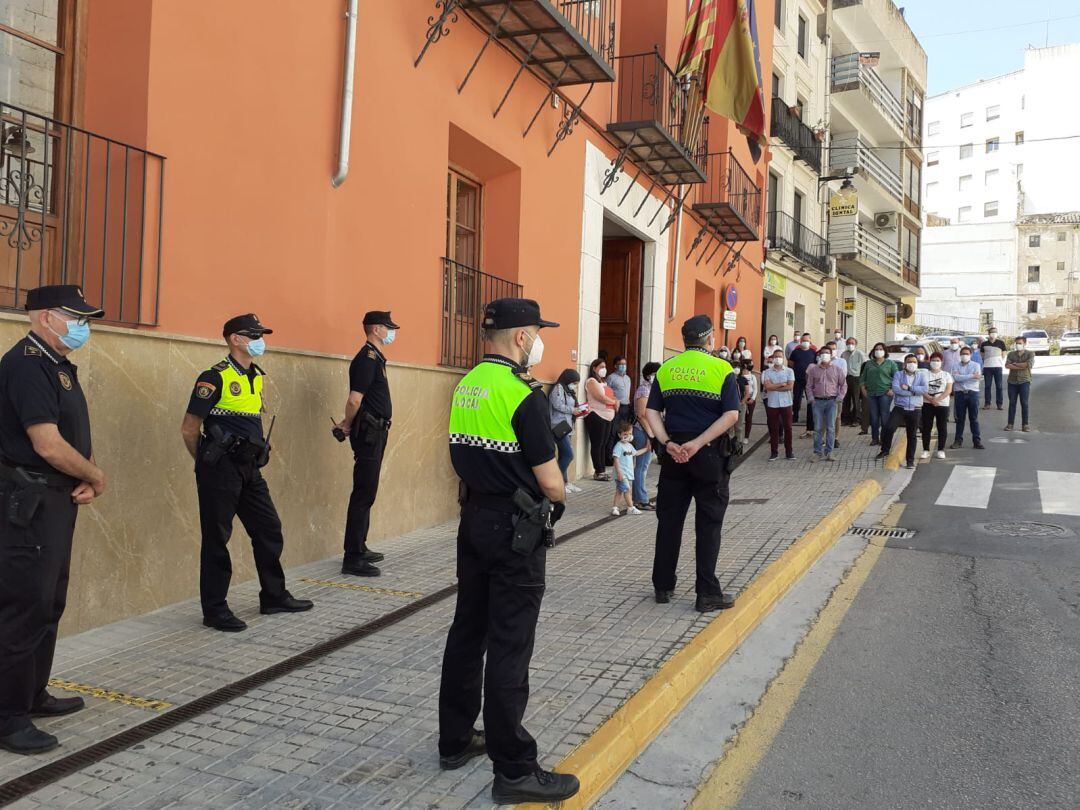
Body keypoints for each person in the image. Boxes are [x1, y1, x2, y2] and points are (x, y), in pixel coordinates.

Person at [438, 298, 579, 804]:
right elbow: (553, 483)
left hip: (473, 520)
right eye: (538, 332)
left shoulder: (468, 384)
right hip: (515, 529)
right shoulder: (524, 396)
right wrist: (557, 491)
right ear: (522, 338)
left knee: (467, 631)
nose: (541, 341)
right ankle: (514, 768)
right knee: (509, 644)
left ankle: (454, 739)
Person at [0, 285, 106, 755]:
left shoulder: (54, 362)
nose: (83, 325)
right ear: (45, 317)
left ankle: (31, 694)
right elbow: (45, 442)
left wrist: (80, 473)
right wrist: (95, 475)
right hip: (31, 503)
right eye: (75, 316)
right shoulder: (26, 363)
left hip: (55, 498)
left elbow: (68, 434)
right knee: (25, 605)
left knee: (49, 602)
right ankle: (8, 717)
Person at [181, 314, 314, 633]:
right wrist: (205, 462)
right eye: (253, 335)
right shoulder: (213, 377)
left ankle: (273, 595)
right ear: (235, 339)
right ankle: (215, 609)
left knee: (269, 528)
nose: (260, 340)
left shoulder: (256, 375)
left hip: (249, 468)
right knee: (217, 539)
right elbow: (189, 428)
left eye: (261, 335)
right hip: (220, 470)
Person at [645, 315, 741, 612]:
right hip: (708, 454)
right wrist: (698, 444)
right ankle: (707, 593)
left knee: (669, 521)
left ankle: (662, 586)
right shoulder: (722, 368)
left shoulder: (667, 369)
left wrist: (667, 443)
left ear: (685, 339)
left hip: (674, 455)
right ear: (710, 338)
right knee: (709, 523)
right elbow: (731, 416)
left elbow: (651, 412)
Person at [334, 310, 398, 578]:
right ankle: (353, 557)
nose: (391, 332)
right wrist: (347, 425)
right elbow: (354, 400)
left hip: (375, 431)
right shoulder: (367, 359)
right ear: (375, 329)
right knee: (363, 492)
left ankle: (360, 545)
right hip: (368, 433)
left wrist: (345, 422)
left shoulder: (375, 358)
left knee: (367, 491)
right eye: (388, 327)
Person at [880, 354, 927, 469]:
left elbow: (925, 389)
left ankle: (910, 461)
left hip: (915, 409)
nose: (912, 364)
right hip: (900, 407)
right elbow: (896, 389)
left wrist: (909, 388)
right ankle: (885, 450)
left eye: (914, 362)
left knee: (912, 435)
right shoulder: (898, 374)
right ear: (905, 364)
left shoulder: (921, 375)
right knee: (889, 428)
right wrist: (914, 392)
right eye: (909, 362)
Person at [805, 347, 846, 462]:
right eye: (823, 353)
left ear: (831, 355)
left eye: (827, 353)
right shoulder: (813, 370)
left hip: (832, 402)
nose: (825, 355)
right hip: (817, 402)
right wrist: (811, 399)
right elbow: (808, 386)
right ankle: (817, 453)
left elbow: (843, 385)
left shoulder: (837, 370)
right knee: (817, 428)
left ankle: (829, 452)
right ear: (819, 355)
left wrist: (840, 397)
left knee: (831, 428)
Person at [632, 362, 661, 511]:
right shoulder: (644, 390)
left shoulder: (652, 389)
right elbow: (642, 415)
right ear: (649, 374)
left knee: (643, 466)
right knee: (642, 466)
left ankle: (637, 497)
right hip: (643, 431)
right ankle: (641, 499)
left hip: (650, 430)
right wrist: (651, 434)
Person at [549, 369, 584, 494]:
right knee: (569, 455)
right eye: (574, 382)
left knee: (564, 455)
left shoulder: (568, 390)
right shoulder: (558, 388)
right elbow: (556, 404)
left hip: (567, 426)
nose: (574, 385)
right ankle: (556, 481)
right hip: (558, 426)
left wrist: (580, 410)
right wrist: (572, 410)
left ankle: (565, 482)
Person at [583, 358, 617, 481]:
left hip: (607, 416)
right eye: (601, 367)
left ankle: (602, 470)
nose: (604, 369)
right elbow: (600, 397)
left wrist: (614, 401)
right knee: (597, 444)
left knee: (603, 444)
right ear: (594, 368)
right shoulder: (591, 381)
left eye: (605, 366)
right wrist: (614, 402)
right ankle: (598, 471)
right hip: (596, 415)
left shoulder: (603, 382)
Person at [860, 342, 897, 447]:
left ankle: (884, 438)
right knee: (874, 417)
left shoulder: (891, 364)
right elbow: (862, 379)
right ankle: (875, 438)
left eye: (881, 349)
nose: (878, 351)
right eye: (876, 349)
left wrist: (892, 389)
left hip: (885, 393)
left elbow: (897, 378)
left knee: (885, 417)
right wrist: (863, 389)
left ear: (885, 351)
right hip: (871, 394)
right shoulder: (869, 364)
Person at [761, 350, 795, 461]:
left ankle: (789, 452)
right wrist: (781, 384)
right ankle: (774, 452)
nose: (777, 358)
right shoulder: (767, 372)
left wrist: (774, 386)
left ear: (783, 358)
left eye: (779, 356)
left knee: (788, 428)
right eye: (775, 357)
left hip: (786, 403)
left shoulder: (789, 371)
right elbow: (767, 387)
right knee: (773, 428)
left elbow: (790, 387)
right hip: (772, 403)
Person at [920, 352, 954, 460]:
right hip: (927, 404)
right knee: (926, 427)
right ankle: (926, 450)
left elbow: (948, 390)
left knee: (942, 427)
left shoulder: (946, 375)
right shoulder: (924, 374)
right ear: (930, 361)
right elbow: (921, 389)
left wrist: (937, 399)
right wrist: (930, 399)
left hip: (942, 404)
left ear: (941, 362)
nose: (935, 362)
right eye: (933, 360)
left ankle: (941, 450)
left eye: (938, 360)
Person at [611, 421, 649, 516]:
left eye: (630, 434)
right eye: (625, 434)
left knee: (619, 490)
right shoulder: (619, 446)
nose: (628, 436)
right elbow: (616, 459)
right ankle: (631, 507)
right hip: (621, 474)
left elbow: (635, 453)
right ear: (620, 435)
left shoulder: (629, 446)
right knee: (627, 489)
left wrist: (646, 448)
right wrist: (619, 472)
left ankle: (615, 508)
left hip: (628, 473)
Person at [951, 346, 984, 450]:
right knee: (960, 419)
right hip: (959, 394)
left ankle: (976, 441)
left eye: (966, 354)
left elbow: (977, 379)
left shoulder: (976, 365)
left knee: (973, 418)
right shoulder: (955, 365)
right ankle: (958, 441)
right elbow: (956, 378)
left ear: (970, 355)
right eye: (962, 354)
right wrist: (972, 376)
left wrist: (964, 377)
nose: (964, 355)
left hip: (972, 393)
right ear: (960, 355)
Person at [789, 333, 817, 437]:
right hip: (797, 378)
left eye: (807, 340)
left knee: (810, 399)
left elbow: (815, 365)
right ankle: (795, 415)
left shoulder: (813, 352)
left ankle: (810, 422)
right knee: (796, 398)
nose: (805, 342)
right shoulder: (795, 352)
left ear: (810, 341)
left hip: (809, 380)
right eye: (803, 340)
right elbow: (791, 363)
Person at [1005, 336, 1035, 432]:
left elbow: (1028, 365)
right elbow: (1007, 365)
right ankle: (1010, 424)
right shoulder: (1011, 354)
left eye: (1020, 343)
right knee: (1012, 403)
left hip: (1024, 381)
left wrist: (1014, 364)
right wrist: (1021, 365)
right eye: (1017, 343)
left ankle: (1025, 425)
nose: (1018, 345)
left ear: (1024, 344)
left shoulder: (1030, 354)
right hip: (1012, 382)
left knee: (1024, 403)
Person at [841, 338, 867, 428]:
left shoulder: (860, 353)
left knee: (856, 399)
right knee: (846, 399)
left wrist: (862, 380)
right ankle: (846, 419)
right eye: (848, 343)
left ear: (856, 344)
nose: (850, 345)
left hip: (856, 378)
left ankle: (856, 419)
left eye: (852, 343)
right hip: (846, 378)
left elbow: (864, 366)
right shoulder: (844, 354)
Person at [981, 327, 1007, 410]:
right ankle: (987, 403)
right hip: (987, 368)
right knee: (987, 386)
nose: (994, 334)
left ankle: (999, 404)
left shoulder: (1001, 343)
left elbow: (1004, 353)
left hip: (998, 367)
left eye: (995, 332)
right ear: (988, 334)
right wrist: (989, 360)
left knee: (999, 386)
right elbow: (982, 355)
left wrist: (997, 360)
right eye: (992, 332)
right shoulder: (984, 344)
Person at [607, 355, 633, 426]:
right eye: (621, 364)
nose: (623, 366)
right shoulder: (611, 378)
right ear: (615, 366)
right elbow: (607, 393)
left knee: (624, 428)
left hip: (627, 407)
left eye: (624, 364)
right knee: (615, 428)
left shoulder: (628, 378)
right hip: (616, 406)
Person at [740, 359, 758, 440]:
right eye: (750, 364)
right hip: (740, 399)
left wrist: (752, 399)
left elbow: (755, 389)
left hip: (750, 399)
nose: (752, 365)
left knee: (748, 418)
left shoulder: (752, 376)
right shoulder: (739, 376)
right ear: (745, 365)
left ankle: (746, 437)